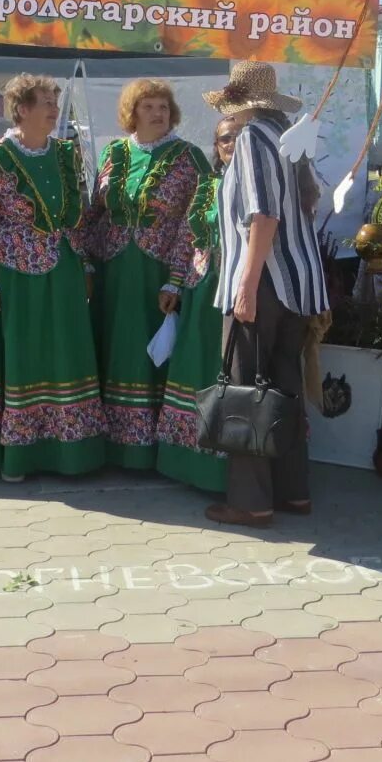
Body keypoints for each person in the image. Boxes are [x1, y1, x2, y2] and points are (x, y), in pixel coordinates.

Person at [201, 62, 328, 528]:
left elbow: (264, 217)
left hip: (266, 283)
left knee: (245, 390)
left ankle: (250, 501)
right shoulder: (289, 134)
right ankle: (294, 493)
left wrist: (247, 285)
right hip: (296, 284)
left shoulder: (254, 138)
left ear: (238, 105)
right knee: (283, 388)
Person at [0, 75, 104, 481]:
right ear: (22, 109)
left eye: (54, 101)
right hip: (17, 274)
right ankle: (21, 456)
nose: (52, 109)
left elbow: (77, 215)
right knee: (26, 358)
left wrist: (84, 265)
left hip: (62, 271)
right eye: (44, 101)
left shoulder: (65, 154)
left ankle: (71, 455)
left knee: (67, 353)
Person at [88, 79, 210, 470]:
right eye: (148, 107)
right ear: (132, 113)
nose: (158, 113)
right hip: (114, 271)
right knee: (112, 350)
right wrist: (88, 262)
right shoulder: (112, 153)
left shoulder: (190, 158)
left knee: (151, 355)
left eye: (163, 107)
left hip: (157, 272)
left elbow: (194, 226)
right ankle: (110, 445)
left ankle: (148, 451)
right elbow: (96, 211)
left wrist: (175, 277)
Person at [155, 116, 239, 493]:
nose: (231, 143)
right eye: (224, 137)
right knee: (193, 368)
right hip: (200, 289)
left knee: (226, 372)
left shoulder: (260, 186)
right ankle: (186, 465)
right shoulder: (207, 185)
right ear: (216, 145)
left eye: (239, 136)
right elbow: (185, 239)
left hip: (236, 291)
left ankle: (225, 470)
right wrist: (173, 282)